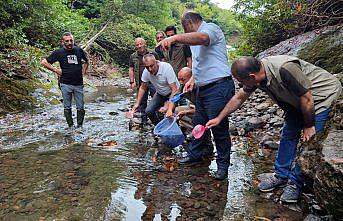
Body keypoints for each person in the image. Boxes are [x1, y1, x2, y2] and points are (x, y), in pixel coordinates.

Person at [206, 55, 342, 202]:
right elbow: (239, 97)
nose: (241, 85)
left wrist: (309, 126)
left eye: (241, 82)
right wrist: (219, 118)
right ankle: (281, 175)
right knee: (288, 134)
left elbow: (307, 98)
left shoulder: (285, 68)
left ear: (251, 76)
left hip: (320, 97)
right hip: (297, 100)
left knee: (311, 143)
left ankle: (296, 183)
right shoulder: (258, 75)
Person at [158, 11, 235, 180]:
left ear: (189, 24)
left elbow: (202, 38)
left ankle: (223, 165)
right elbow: (201, 62)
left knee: (218, 127)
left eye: (185, 30)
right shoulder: (193, 43)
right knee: (198, 123)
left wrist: (175, 38)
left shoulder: (211, 29)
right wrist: (193, 78)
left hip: (219, 86)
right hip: (203, 87)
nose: (186, 34)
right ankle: (195, 154)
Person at [41, 32, 89, 128]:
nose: (70, 43)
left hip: (78, 84)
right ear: (63, 42)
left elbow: (87, 61)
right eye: (67, 41)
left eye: (71, 40)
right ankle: (70, 126)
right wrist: (55, 70)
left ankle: (80, 126)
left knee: (81, 107)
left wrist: (83, 72)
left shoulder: (79, 50)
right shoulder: (58, 52)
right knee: (67, 107)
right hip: (65, 83)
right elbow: (44, 62)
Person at [175, 67, 213, 157]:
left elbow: (204, 109)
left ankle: (207, 145)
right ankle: (193, 133)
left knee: (200, 119)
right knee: (177, 110)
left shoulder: (202, 87)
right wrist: (168, 110)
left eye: (183, 80)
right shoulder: (183, 86)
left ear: (192, 78)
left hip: (210, 111)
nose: (180, 82)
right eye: (179, 80)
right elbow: (175, 98)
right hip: (199, 109)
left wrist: (186, 112)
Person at [132, 54, 180, 125]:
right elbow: (142, 87)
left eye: (151, 66)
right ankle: (159, 126)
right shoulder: (146, 72)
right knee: (148, 111)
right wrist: (137, 104)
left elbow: (174, 89)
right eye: (147, 67)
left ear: (156, 62)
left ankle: (176, 126)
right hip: (160, 93)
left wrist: (169, 108)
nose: (150, 69)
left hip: (173, 93)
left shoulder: (166, 68)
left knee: (170, 111)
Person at [129, 38, 158, 123]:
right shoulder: (133, 56)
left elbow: (160, 64)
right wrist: (132, 81)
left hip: (153, 81)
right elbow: (131, 69)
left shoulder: (153, 53)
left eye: (141, 44)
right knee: (142, 101)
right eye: (137, 45)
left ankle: (157, 117)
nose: (139, 46)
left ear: (145, 44)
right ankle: (143, 119)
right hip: (140, 82)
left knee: (156, 99)